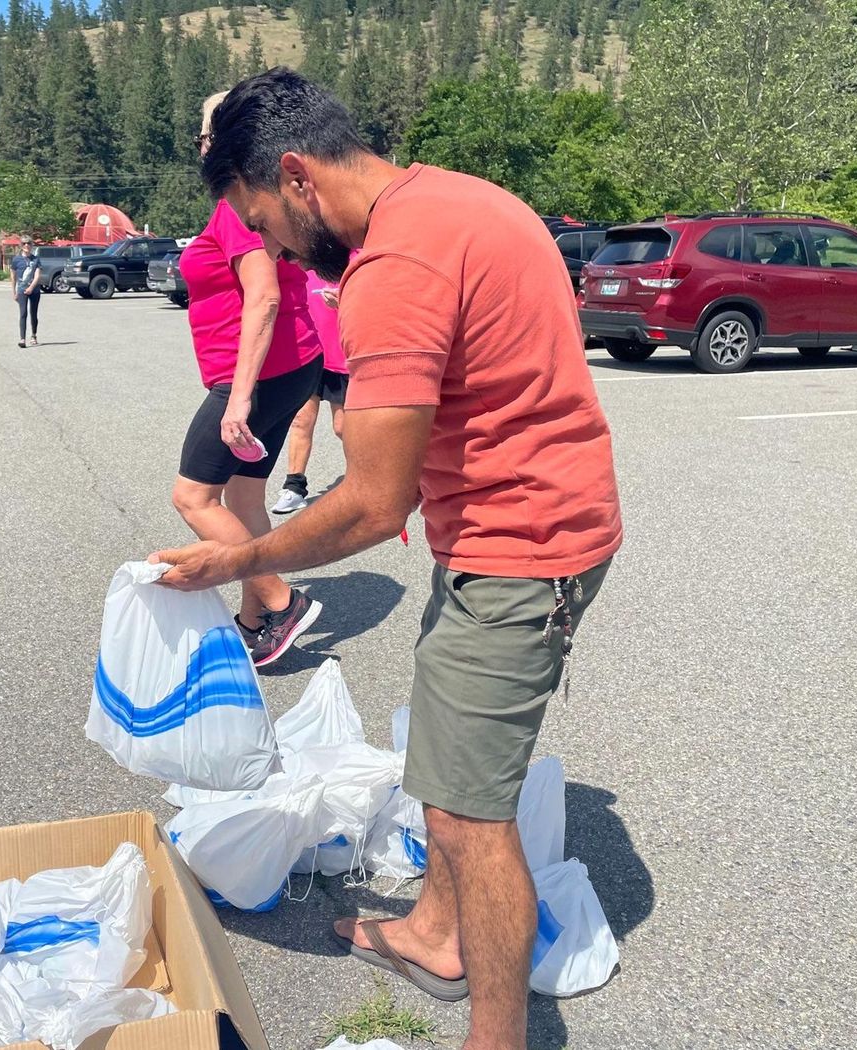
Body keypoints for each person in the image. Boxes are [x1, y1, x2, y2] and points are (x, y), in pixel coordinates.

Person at [151, 69, 623, 1050]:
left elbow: (371, 502)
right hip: (536, 523)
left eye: (261, 223)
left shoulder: (392, 271)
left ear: (295, 179)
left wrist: (229, 563)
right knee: (449, 757)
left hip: (519, 547)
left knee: (464, 817)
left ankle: (492, 1034)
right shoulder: (459, 198)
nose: (272, 248)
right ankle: (435, 931)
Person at [173, 90, 325, 668]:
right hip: (283, 368)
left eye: (206, 137)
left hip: (257, 376)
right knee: (243, 496)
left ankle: (281, 603)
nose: (202, 149)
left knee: (192, 495)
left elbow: (261, 299)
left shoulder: (234, 207)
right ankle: (257, 620)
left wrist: (237, 400)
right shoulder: (238, 203)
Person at [272, 266, 350, 514]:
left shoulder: (352, 259)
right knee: (301, 421)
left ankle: (366, 478)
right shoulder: (301, 265)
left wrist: (344, 303)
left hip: (342, 359)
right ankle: (294, 488)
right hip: (309, 356)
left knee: (343, 428)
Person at [9, 238, 41, 348]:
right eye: (24, 243)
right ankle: (22, 339)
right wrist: (14, 292)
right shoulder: (16, 260)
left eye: (29, 243)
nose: (26, 245)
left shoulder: (36, 259)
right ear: (21, 245)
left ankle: (33, 335)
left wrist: (31, 287)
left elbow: (37, 275)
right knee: (23, 313)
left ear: (32, 245)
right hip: (22, 289)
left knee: (33, 313)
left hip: (35, 290)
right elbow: (13, 277)